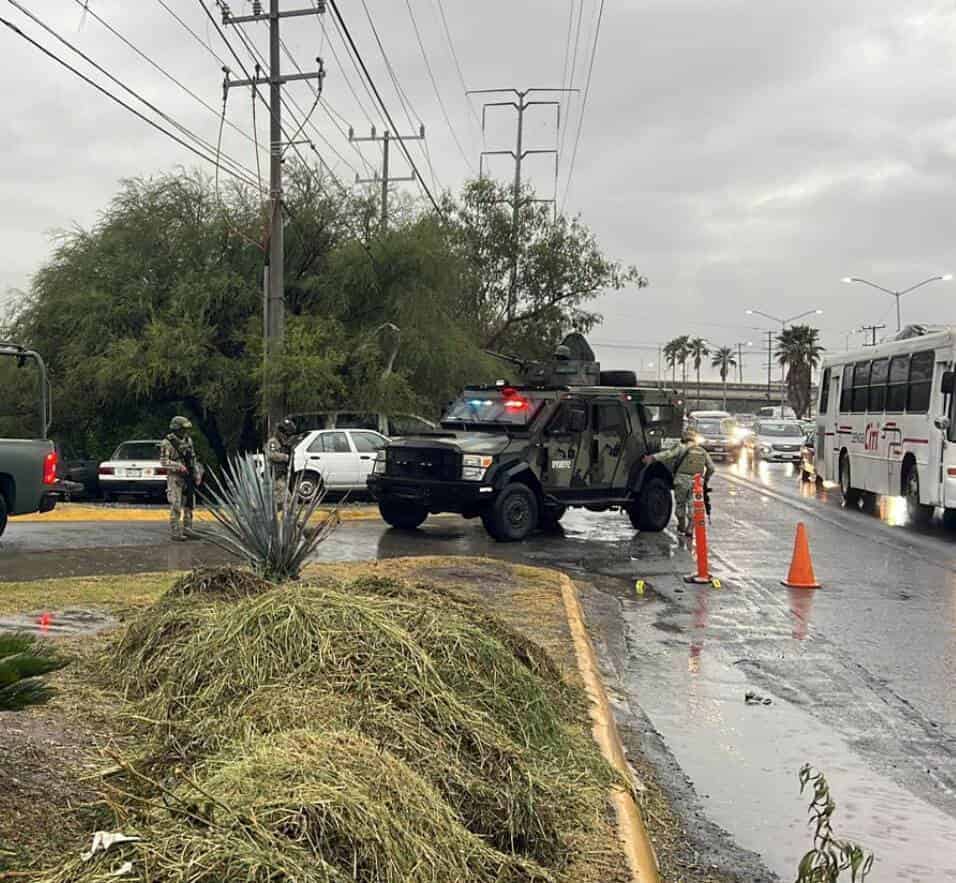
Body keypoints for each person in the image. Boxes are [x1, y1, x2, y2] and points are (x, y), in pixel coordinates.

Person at [643, 428, 715, 536]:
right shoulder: (702, 451)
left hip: (681, 480)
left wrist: (652, 458)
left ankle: (681, 525)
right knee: (693, 505)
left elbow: (667, 454)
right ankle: (690, 528)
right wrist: (706, 479)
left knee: (680, 504)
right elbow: (711, 468)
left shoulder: (680, 448)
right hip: (697, 481)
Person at [160, 416, 201, 541]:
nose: (185, 432)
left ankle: (188, 529)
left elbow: (193, 458)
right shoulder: (167, 443)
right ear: (176, 429)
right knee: (176, 504)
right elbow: (163, 461)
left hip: (188, 475)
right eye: (183, 429)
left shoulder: (188, 440)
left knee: (189, 503)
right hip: (175, 477)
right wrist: (178, 466)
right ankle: (176, 532)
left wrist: (197, 473)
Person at [266, 418, 298, 508]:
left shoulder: (285, 444)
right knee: (287, 500)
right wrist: (285, 457)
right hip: (276, 477)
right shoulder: (273, 442)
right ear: (281, 432)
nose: (287, 437)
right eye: (286, 434)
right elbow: (271, 455)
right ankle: (291, 519)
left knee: (279, 503)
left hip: (283, 476)